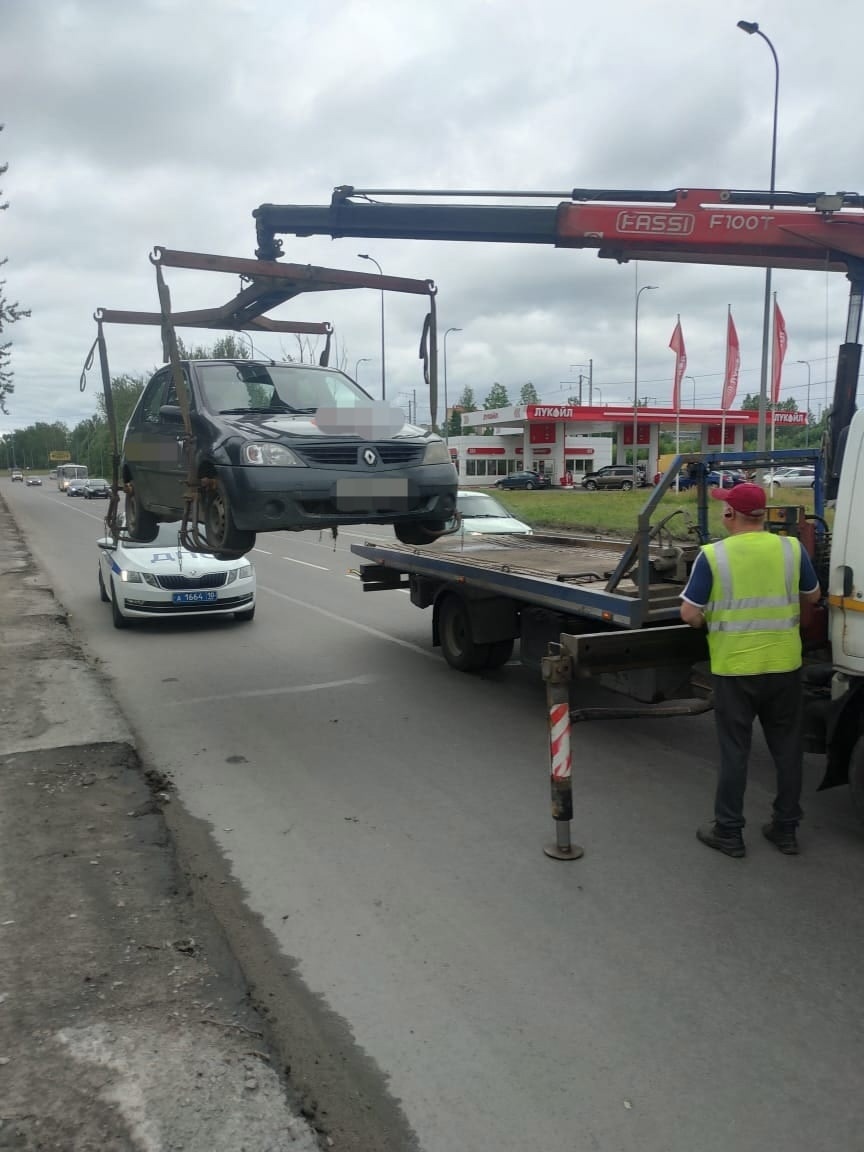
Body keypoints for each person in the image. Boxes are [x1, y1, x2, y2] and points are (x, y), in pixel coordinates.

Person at [680, 482, 822, 858]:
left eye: (724, 508)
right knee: (788, 750)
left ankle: (728, 832)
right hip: (784, 665)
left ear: (730, 515)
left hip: (735, 668)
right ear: (762, 515)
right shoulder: (792, 549)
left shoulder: (713, 556)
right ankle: (786, 829)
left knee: (735, 752)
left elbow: (690, 613)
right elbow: (813, 596)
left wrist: (712, 619)